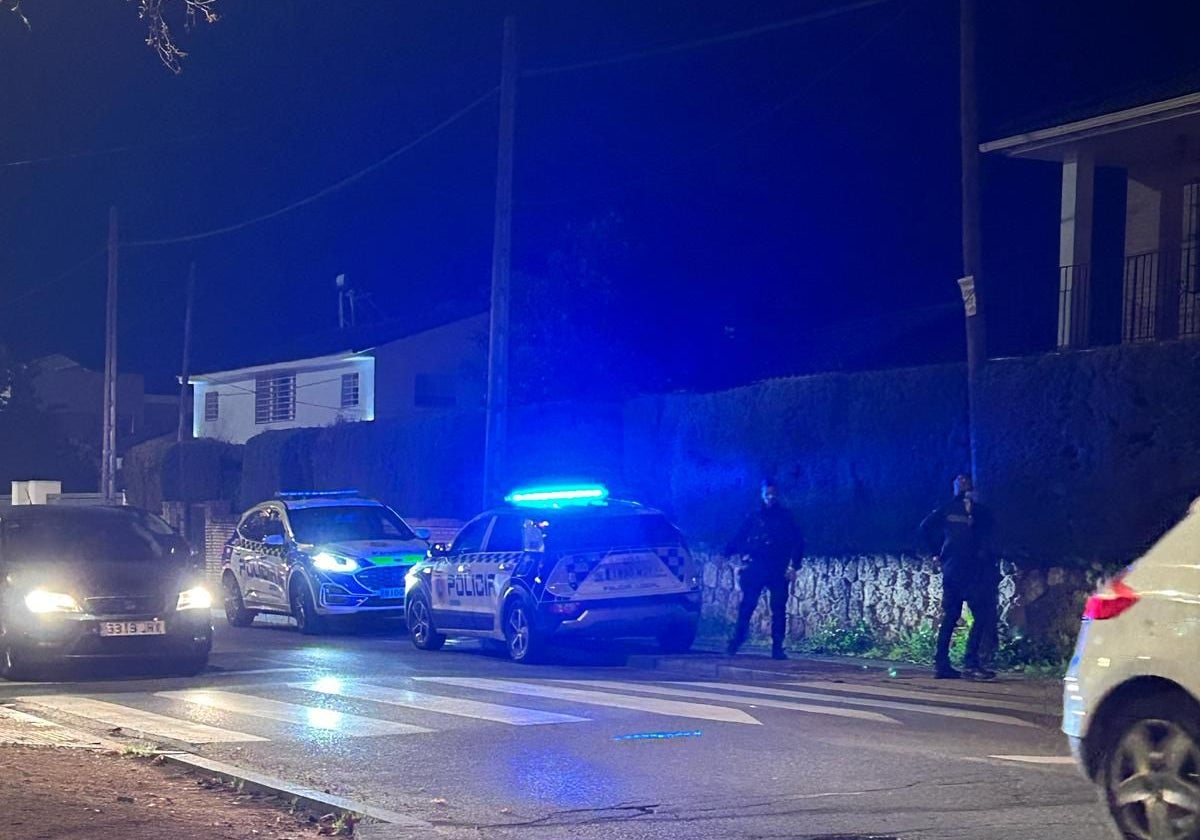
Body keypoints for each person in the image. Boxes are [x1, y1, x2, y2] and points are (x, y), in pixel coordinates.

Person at [920, 472, 998, 681]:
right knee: (976, 615)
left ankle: (945, 664)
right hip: (961, 569)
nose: (963, 484)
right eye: (960, 480)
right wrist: (936, 553)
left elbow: (986, 535)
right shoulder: (949, 509)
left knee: (957, 616)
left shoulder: (979, 512)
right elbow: (926, 527)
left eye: (966, 481)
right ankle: (967, 664)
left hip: (962, 568)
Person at [725, 479, 804, 660]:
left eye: (773, 494)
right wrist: (727, 553)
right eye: (767, 494)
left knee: (778, 609)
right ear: (762, 494)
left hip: (778, 567)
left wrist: (794, 566)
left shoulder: (785, 517)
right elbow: (740, 536)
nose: (770, 498)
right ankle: (736, 641)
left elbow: (798, 541)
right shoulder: (754, 516)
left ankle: (777, 647)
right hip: (757, 566)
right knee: (747, 605)